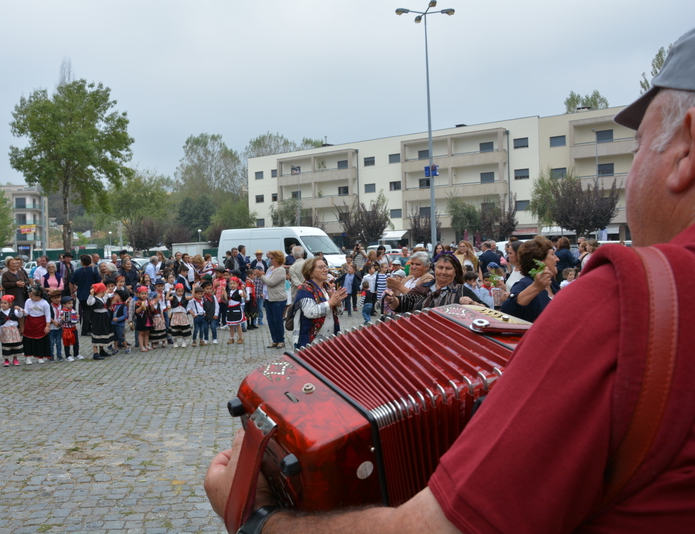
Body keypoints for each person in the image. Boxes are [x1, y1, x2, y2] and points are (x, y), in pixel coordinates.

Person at [205, 28, 695, 532]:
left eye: (638, 147)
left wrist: (261, 521)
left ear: (686, 150)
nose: (632, 169)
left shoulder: (636, 304)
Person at [499, 235, 560, 323]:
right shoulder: (525, 284)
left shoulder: (552, 283)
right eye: (553, 254)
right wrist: (536, 287)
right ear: (540, 261)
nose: (557, 259)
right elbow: (507, 311)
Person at [291, 257, 346, 350]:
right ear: (310, 273)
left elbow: (338, 313)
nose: (325, 270)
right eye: (321, 267)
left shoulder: (327, 288)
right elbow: (310, 312)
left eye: (325, 267)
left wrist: (338, 303)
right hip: (310, 341)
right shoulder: (304, 289)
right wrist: (331, 302)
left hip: (329, 340)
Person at [261, 251, 287, 349]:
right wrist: (262, 276)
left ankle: (281, 340)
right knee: (270, 321)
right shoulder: (271, 269)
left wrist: (261, 276)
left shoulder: (280, 270)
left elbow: (271, 282)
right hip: (268, 298)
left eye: (272, 258)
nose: (270, 260)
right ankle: (274, 340)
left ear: (278, 259)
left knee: (277, 321)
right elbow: (265, 280)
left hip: (278, 299)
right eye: (270, 258)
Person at [70, 254, 101, 337]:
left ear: (82, 262)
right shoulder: (94, 270)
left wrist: (72, 292)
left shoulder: (77, 271)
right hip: (91, 294)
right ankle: (86, 330)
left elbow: (71, 282)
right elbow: (99, 282)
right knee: (89, 312)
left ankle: (87, 329)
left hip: (81, 294)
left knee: (85, 312)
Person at [22, 286, 52, 365]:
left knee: (40, 341)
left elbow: (48, 315)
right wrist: (22, 312)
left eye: (32, 295)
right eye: (29, 295)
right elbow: (26, 312)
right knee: (28, 340)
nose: (30, 297)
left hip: (40, 322)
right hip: (30, 322)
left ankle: (40, 356)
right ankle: (28, 357)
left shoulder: (44, 303)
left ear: (38, 295)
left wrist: (47, 326)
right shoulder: (28, 301)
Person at [0, 294, 24, 367]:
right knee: (6, 345)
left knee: (15, 344)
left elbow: (20, 315)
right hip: (4, 331)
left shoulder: (14, 311)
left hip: (13, 330)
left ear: (10, 304)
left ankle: (15, 358)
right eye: (1, 303)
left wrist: (19, 309)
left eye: (5, 303)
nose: (3, 305)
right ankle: (6, 359)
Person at [87, 282, 113, 360]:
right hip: (97, 318)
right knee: (97, 333)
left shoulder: (102, 298)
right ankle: (95, 353)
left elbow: (110, 295)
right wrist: (91, 294)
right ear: (101, 291)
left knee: (102, 333)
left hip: (104, 317)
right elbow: (89, 303)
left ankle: (102, 350)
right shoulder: (94, 299)